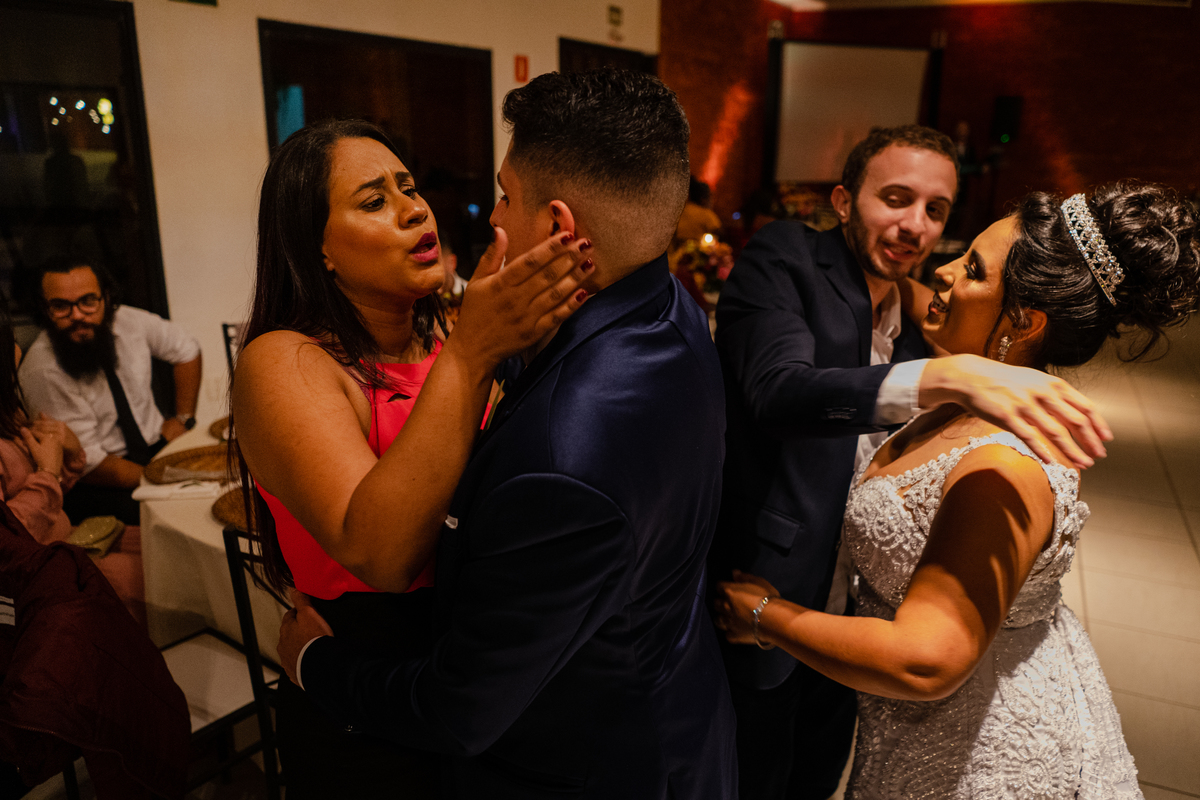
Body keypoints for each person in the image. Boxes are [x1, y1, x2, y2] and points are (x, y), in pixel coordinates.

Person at [277, 69, 737, 799]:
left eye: (504, 195)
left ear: (559, 229)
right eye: (375, 199)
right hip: (667, 716)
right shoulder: (670, 306)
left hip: (567, 758)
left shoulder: (560, 456)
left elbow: (461, 709)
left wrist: (314, 664)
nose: (425, 210)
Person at [715, 180, 1199, 796]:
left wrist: (766, 616)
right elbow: (907, 298)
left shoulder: (1001, 467)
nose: (942, 271)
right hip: (913, 735)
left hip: (978, 754)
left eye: (971, 269)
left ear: (1024, 322)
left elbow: (925, 660)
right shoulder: (970, 387)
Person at [231, 118, 593, 798]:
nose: (414, 210)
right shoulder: (285, 360)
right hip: (369, 691)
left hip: (478, 675)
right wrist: (473, 355)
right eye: (374, 201)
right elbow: (383, 553)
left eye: (409, 187)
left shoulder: (447, 335)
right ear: (317, 248)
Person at [18, 257, 201, 526]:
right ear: (44, 309)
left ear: (106, 298)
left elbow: (186, 349)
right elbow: (90, 463)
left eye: (88, 301)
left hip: (157, 445)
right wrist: (163, 483)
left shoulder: (129, 320)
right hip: (100, 480)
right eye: (60, 306)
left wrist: (183, 417)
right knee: (178, 516)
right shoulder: (42, 370)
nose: (77, 315)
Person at [0, 318, 145, 626]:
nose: (18, 347)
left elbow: (46, 498)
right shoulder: (42, 369)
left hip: (65, 541)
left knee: (163, 545)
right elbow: (8, 542)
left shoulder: (9, 414)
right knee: (154, 577)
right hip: (42, 573)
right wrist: (48, 472)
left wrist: (70, 455)